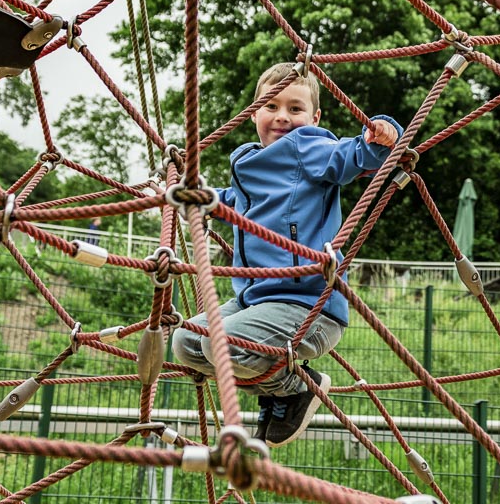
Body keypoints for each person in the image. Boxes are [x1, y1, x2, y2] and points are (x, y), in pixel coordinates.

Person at [171, 63, 402, 448]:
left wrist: (378, 131)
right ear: (254, 112)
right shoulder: (246, 162)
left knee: (220, 344)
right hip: (253, 302)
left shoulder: (309, 147)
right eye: (271, 106)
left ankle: (295, 388)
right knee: (186, 342)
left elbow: (354, 155)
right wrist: (206, 202)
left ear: (314, 117)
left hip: (308, 307)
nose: (282, 116)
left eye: (295, 109)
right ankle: (276, 391)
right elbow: (240, 205)